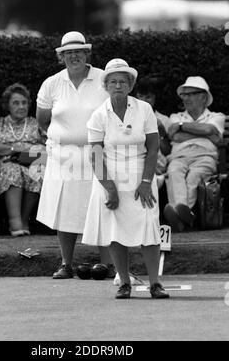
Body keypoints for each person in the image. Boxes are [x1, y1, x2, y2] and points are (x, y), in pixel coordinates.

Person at [82, 58, 170, 299]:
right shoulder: (98, 115)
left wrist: (144, 182)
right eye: (113, 81)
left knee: (149, 229)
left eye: (123, 81)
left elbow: (153, 149)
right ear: (106, 85)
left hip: (142, 175)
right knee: (115, 231)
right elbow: (95, 154)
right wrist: (108, 187)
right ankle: (124, 282)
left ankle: (155, 284)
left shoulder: (144, 109)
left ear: (130, 85)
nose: (118, 85)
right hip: (110, 177)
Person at [36, 31, 114, 279]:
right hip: (63, 156)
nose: (74, 56)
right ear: (62, 57)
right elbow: (42, 119)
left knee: (102, 205)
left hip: (99, 153)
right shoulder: (52, 83)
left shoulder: (104, 79)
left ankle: (109, 264)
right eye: (68, 53)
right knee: (64, 210)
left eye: (78, 51)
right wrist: (65, 139)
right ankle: (66, 264)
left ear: (87, 53)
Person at [164, 76, 225, 232]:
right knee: (174, 171)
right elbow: (174, 135)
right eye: (184, 95)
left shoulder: (217, 116)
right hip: (179, 156)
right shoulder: (175, 117)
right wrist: (204, 133)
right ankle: (185, 215)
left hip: (205, 156)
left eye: (190, 94)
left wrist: (182, 126)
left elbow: (210, 129)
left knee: (194, 177)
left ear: (203, 97)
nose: (185, 98)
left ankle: (178, 215)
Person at [0, 83, 46, 236]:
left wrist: (30, 153)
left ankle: (25, 219)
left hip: (31, 161)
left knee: (38, 172)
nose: (21, 106)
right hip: (7, 163)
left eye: (24, 103)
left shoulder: (36, 122)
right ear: (8, 105)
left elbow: (49, 145)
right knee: (13, 170)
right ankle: (15, 222)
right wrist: (15, 149)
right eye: (16, 103)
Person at [135, 77, 172, 188]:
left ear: (155, 98)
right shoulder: (129, 118)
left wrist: (161, 133)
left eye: (148, 97)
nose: (144, 101)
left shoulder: (164, 120)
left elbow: (167, 151)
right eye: (141, 96)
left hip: (157, 165)